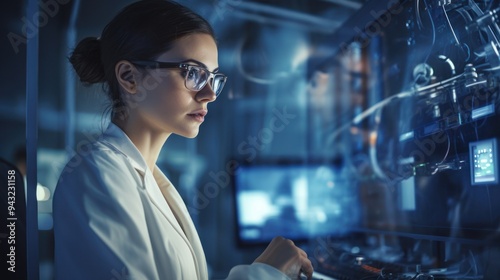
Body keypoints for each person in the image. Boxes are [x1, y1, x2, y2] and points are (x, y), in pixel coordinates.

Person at [53, 1, 313, 279]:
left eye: (213, 77)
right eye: (193, 73)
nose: (210, 94)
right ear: (129, 78)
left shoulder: (151, 181)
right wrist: (264, 273)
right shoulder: (95, 173)